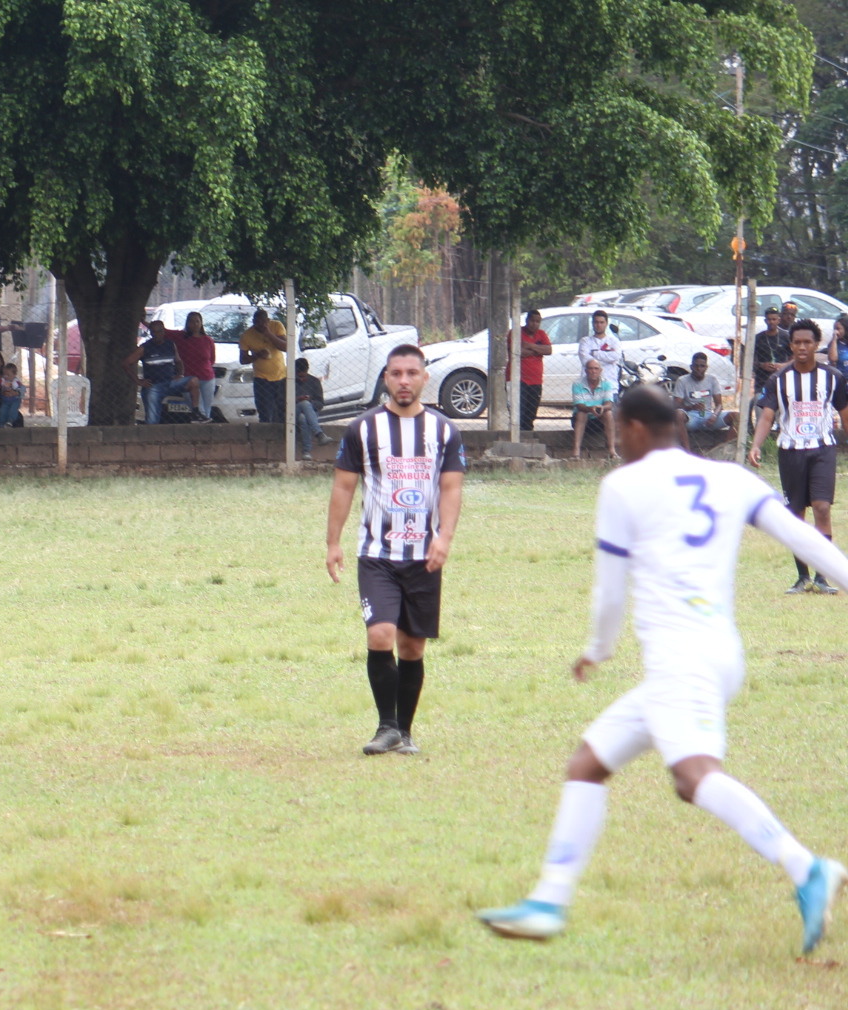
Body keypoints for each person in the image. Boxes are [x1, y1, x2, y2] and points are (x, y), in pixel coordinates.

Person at [476, 385, 847, 952]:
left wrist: (598, 649)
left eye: (617, 429)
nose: (616, 439)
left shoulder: (624, 485)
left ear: (637, 429)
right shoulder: (729, 478)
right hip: (719, 653)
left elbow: (608, 593)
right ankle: (549, 899)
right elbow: (806, 539)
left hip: (682, 661)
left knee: (695, 775)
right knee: (588, 763)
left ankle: (805, 867)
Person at [325, 344, 465, 756]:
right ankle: (386, 727)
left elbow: (452, 488)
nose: (404, 381)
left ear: (423, 378)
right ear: (385, 378)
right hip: (377, 554)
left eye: (411, 373)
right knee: (380, 634)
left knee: (412, 647)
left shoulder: (443, 430)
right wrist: (333, 542)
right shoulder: (362, 429)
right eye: (396, 373)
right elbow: (343, 486)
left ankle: (404, 731)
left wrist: (444, 538)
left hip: (424, 555)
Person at [748, 317, 848, 595]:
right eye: (797, 342)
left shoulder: (833, 378)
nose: (802, 347)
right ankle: (802, 577)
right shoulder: (779, 379)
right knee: (796, 514)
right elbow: (767, 416)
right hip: (790, 452)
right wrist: (756, 445)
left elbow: (844, 414)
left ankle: (822, 577)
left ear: (816, 345)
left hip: (822, 450)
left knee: (822, 507)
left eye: (808, 342)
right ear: (790, 346)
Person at [129, 319, 197, 424]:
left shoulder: (170, 345)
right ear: (150, 333)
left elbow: (179, 361)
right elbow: (126, 363)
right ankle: (151, 437)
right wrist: (139, 381)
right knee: (152, 421)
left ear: (164, 332)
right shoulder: (145, 348)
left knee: (193, 381)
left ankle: (196, 413)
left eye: (159, 331)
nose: (157, 334)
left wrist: (180, 374)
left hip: (170, 382)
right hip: (153, 386)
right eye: (154, 332)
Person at [673, 352, 732, 451]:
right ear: (691, 367)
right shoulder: (682, 380)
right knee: (678, 414)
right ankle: (687, 452)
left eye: (702, 366)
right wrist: (691, 407)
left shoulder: (712, 380)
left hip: (708, 415)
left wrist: (714, 415)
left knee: (736, 417)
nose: (699, 369)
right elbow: (676, 404)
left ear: (706, 367)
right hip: (690, 417)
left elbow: (719, 405)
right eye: (696, 366)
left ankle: (725, 450)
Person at [239, 307, 289, 425]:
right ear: (253, 322)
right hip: (262, 378)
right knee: (265, 411)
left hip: (281, 375)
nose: (260, 325)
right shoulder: (247, 335)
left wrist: (269, 334)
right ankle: (265, 436)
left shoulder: (276, 326)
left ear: (268, 320)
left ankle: (282, 436)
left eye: (263, 322)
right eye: (256, 322)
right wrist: (257, 355)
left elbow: (286, 347)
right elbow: (243, 359)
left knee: (282, 409)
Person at [172, 311, 218, 419]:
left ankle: (204, 432)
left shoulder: (208, 340)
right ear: (187, 323)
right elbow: (162, 331)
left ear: (201, 323)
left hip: (207, 379)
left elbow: (212, 360)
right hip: (189, 379)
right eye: (192, 322)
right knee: (198, 410)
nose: (195, 324)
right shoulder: (180, 337)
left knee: (206, 411)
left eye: (197, 321)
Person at [570, 359, 616, 459]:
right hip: (581, 420)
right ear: (586, 371)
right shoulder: (577, 384)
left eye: (596, 368)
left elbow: (609, 404)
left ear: (600, 370)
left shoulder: (607, 383)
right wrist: (590, 409)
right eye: (590, 368)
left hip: (599, 420)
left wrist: (602, 407)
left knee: (608, 413)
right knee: (581, 413)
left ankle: (612, 450)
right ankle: (576, 451)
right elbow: (579, 405)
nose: (593, 371)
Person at [518, 310, 552, 428]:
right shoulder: (517, 333)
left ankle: (528, 435)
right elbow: (518, 352)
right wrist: (538, 349)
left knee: (531, 412)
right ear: (527, 320)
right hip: (519, 379)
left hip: (536, 380)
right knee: (519, 412)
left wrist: (530, 346)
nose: (534, 324)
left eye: (537, 321)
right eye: (532, 320)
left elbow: (548, 350)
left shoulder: (541, 334)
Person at [577, 310, 623, 385]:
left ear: (606, 324)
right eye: (596, 322)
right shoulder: (585, 341)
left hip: (610, 384)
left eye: (601, 322)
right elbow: (585, 361)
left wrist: (595, 353)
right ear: (592, 323)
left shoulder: (614, 341)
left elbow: (616, 356)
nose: (599, 325)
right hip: (589, 386)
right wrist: (608, 358)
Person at [752, 307, 786, 405]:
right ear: (765, 320)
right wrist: (761, 365)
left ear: (779, 320)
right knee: (760, 405)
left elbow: (794, 358)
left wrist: (782, 366)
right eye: (769, 319)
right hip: (762, 380)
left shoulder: (786, 336)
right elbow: (751, 359)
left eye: (774, 319)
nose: (771, 322)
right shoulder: (759, 338)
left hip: (781, 377)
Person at [294, 358, 325, 460]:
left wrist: (310, 401)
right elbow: (281, 403)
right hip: (293, 411)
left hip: (310, 413)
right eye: (299, 376)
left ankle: (306, 452)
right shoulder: (288, 382)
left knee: (303, 418)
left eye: (303, 375)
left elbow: (320, 403)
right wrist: (297, 400)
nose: (302, 379)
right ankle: (319, 434)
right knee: (304, 403)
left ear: (307, 370)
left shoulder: (314, 381)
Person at [0, 362, 25, 427]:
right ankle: (1, 424)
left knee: (13, 410)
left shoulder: (16, 382)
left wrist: (16, 393)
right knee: (2, 411)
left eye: (8, 375)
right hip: (5, 400)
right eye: (4, 374)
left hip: (14, 400)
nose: (5, 376)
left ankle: (10, 421)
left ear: (14, 375)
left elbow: (21, 389)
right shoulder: (3, 380)